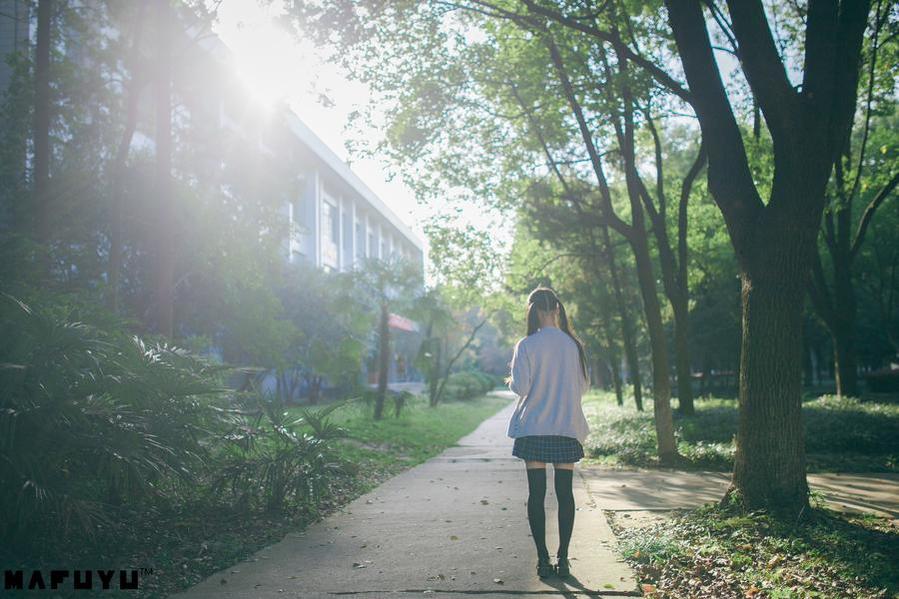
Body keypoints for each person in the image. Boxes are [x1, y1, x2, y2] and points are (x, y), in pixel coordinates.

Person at [505, 286, 591, 580]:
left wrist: (512, 380)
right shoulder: (573, 345)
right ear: (557, 309)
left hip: (535, 429)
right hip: (566, 428)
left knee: (536, 494)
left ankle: (543, 559)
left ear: (533, 311)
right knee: (565, 494)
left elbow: (523, 388)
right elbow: (582, 388)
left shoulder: (527, 345)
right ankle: (564, 560)